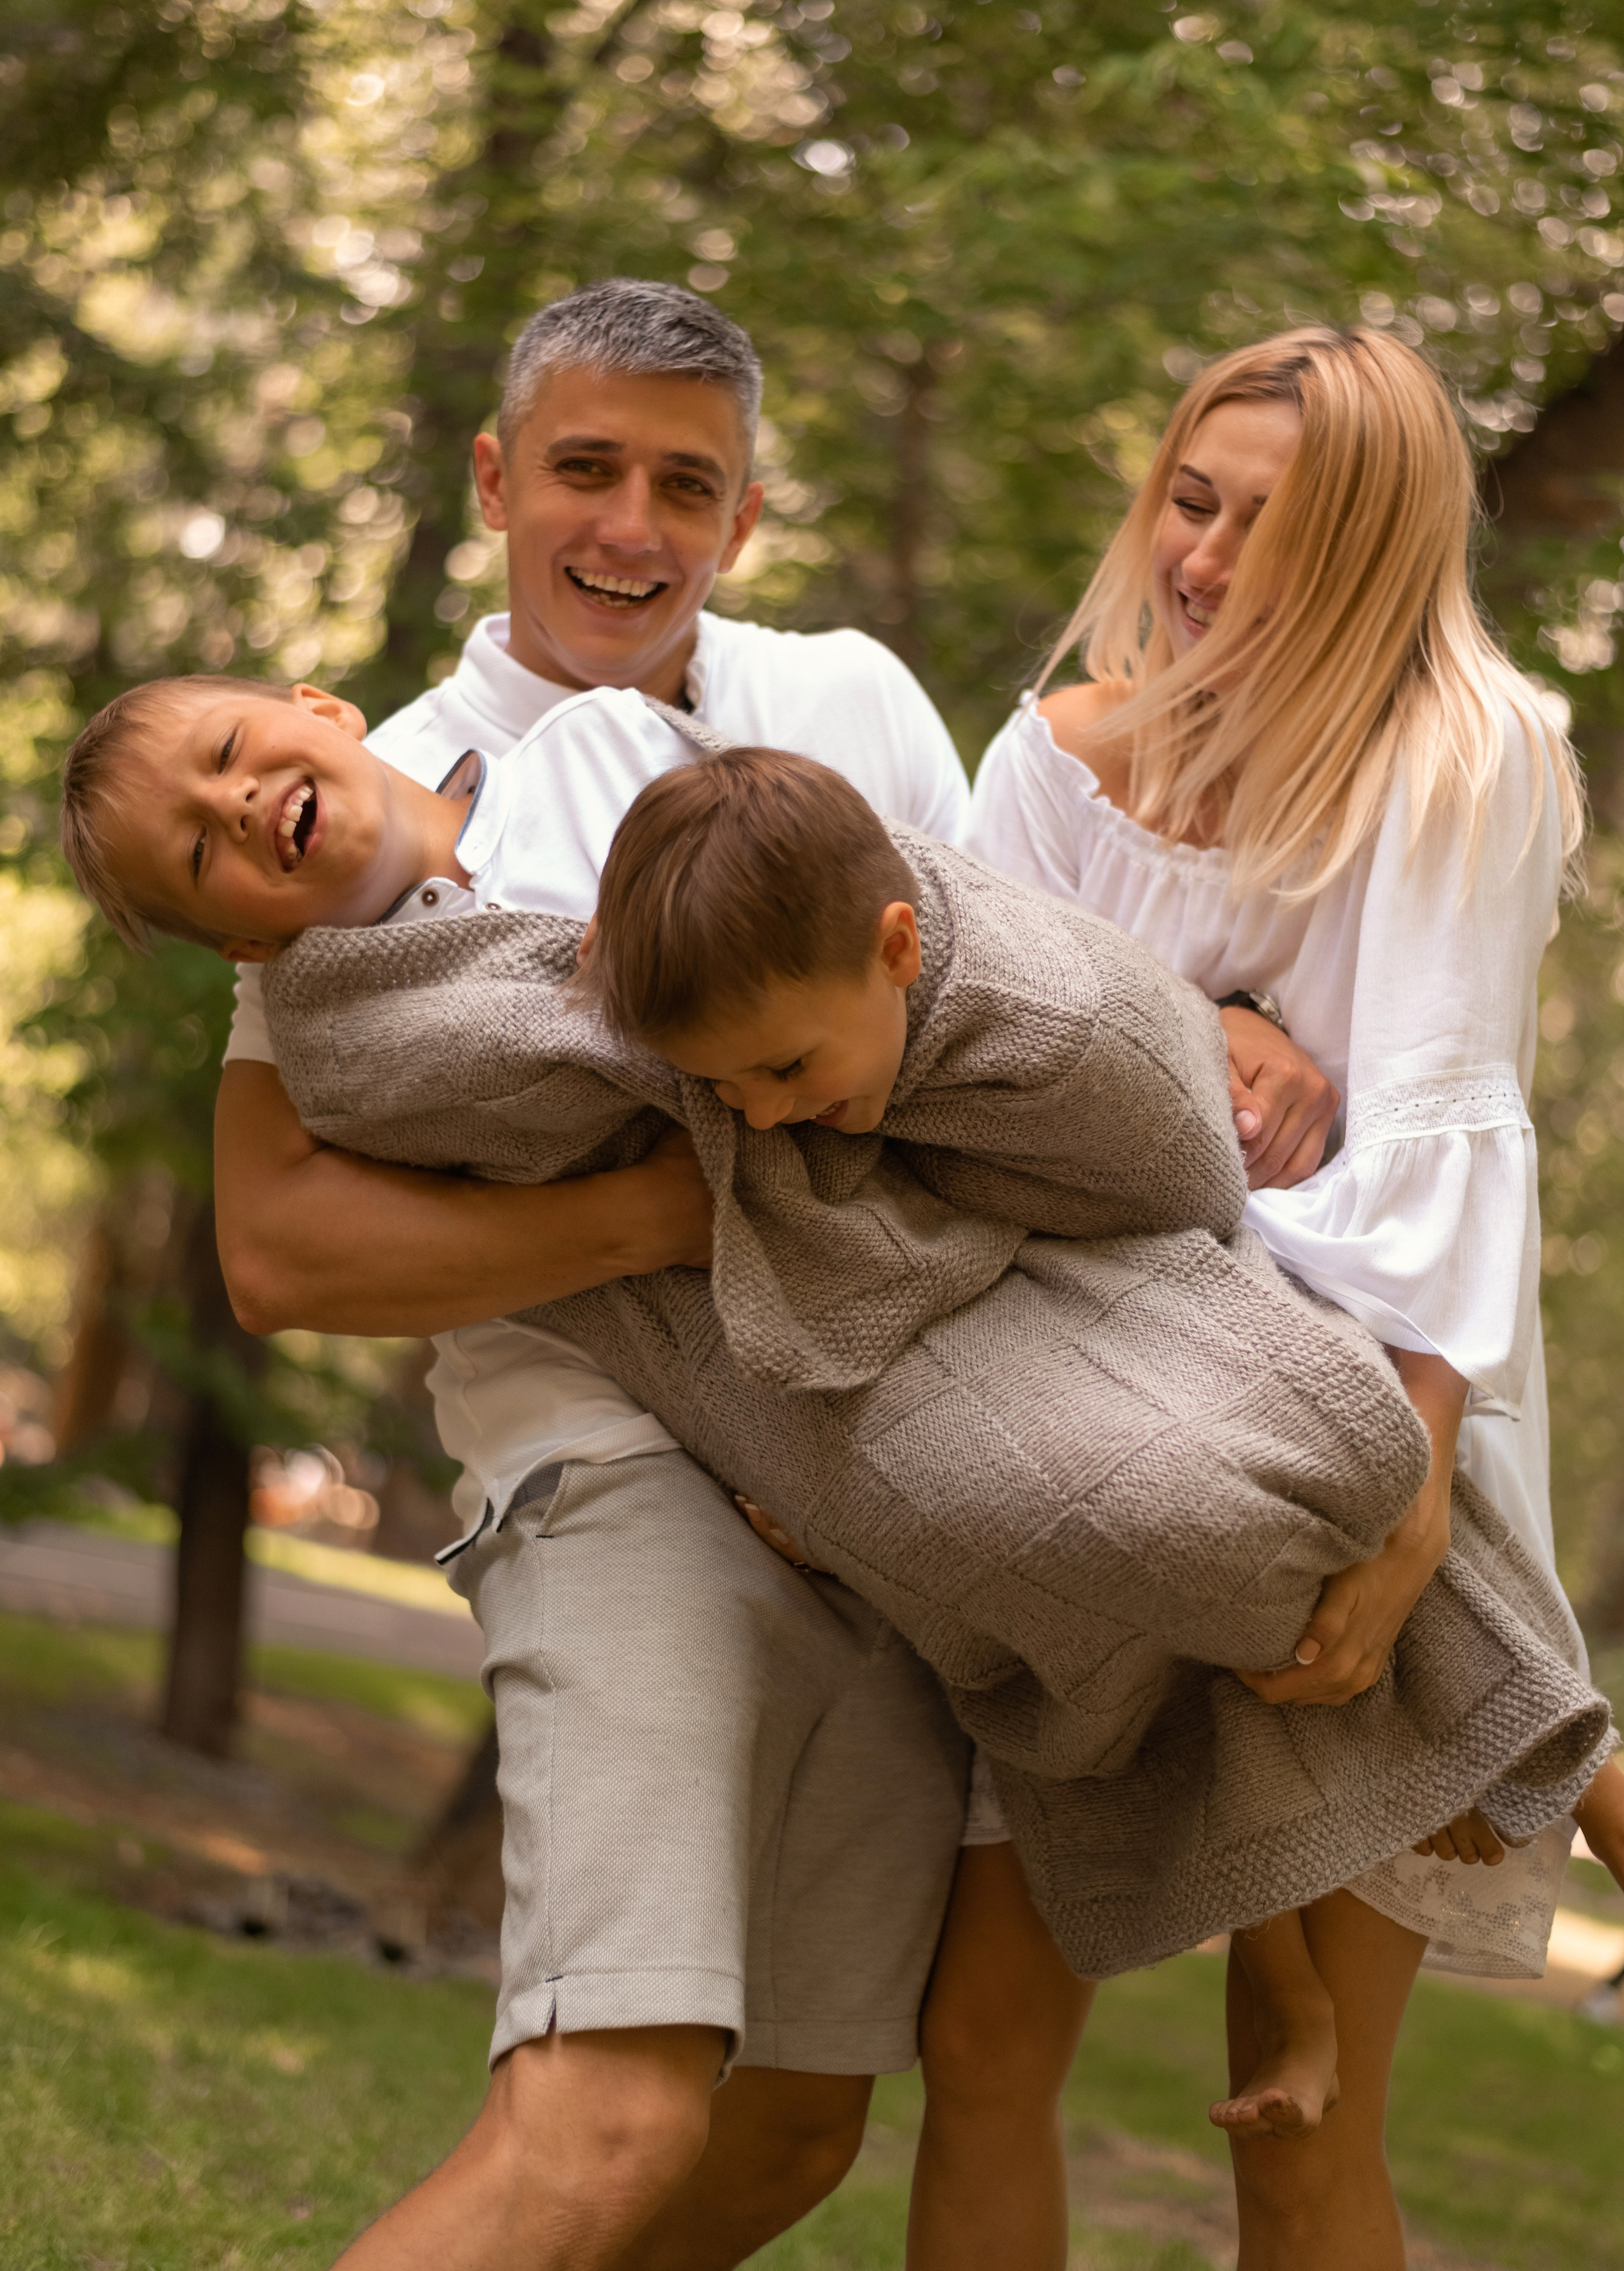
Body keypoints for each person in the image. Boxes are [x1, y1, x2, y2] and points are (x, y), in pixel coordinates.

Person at [62, 673, 1609, 2244]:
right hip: (775, 1365)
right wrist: (737, 1066)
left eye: (232, 753)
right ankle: (1521, 1752)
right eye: (197, 853)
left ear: (308, 707)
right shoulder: (359, 1026)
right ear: (246, 945)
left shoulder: (604, 749)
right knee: (1161, 1520)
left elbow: (856, 932)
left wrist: (1196, 1036)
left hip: (955, 1258)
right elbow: (637, 1058)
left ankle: (1517, 1756)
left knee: (1255, 1446)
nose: (238, 804)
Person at [190, 277, 982, 2271]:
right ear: (493, 476)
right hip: (616, 1477)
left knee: (793, 2129)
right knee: (606, 2122)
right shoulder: (354, 800)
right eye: (586, 470)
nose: (631, 526)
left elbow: (990, 1028)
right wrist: (661, 1218)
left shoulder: (851, 704)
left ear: (748, 513)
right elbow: (277, 1241)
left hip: (890, 1493)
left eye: (685, 485)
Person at [964, 322, 1624, 2271]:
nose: (1209, 561)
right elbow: (957, 1070)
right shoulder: (1055, 763)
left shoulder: (1461, 752)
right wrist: (1206, 1025)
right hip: (1078, 1403)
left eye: (1278, 526)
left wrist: (1414, 1500)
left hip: (1377, 1411)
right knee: (983, 2034)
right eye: (1194, 501)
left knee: (1296, 2098)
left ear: (1373, 551)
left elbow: (1438, 1120)